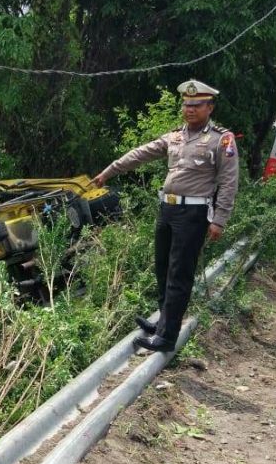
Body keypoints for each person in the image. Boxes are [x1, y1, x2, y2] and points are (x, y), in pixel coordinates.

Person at [90, 80, 239, 353]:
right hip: (167, 209)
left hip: (193, 213)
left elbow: (229, 182)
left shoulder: (222, 139)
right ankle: (162, 323)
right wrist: (108, 172)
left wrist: (219, 219)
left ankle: (168, 337)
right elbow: (140, 154)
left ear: (209, 107)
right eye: (186, 104)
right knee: (162, 268)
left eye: (196, 105)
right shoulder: (175, 137)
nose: (190, 109)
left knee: (179, 273)